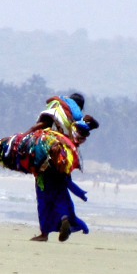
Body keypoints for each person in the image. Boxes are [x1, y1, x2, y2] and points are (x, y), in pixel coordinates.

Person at [26, 93, 99, 241]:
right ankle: (65, 217)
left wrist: (25, 135)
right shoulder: (79, 121)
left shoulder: (57, 112)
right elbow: (94, 125)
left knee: (43, 195)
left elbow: (41, 125)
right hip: (64, 161)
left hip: (48, 158)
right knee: (60, 192)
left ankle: (44, 233)